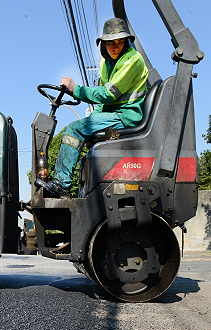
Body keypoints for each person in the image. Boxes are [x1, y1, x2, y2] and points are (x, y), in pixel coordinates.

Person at [35, 17, 148, 198]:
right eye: (111, 43)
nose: (115, 46)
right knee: (81, 129)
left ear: (126, 41)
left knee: (74, 129)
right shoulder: (106, 63)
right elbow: (104, 103)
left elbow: (108, 94)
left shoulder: (132, 60)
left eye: (120, 42)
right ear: (103, 44)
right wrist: (92, 118)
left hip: (126, 115)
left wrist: (76, 90)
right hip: (112, 113)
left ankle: (62, 184)